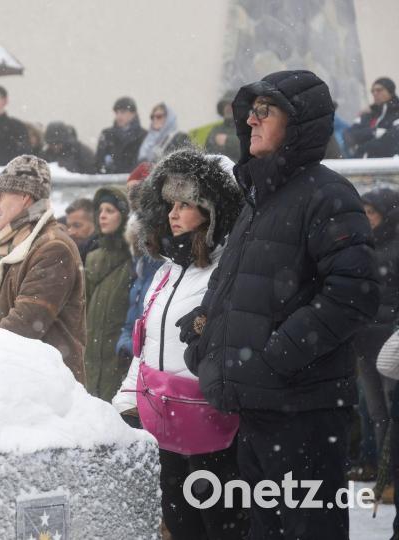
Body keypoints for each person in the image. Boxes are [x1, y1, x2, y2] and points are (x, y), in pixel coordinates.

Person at [181, 71, 379, 539]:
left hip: (305, 414)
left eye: (264, 110)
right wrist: (205, 334)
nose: (250, 119)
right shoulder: (260, 199)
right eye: (250, 109)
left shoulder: (328, 195)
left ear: (300, 123)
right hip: (260, 409)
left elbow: (355, 293)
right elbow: (233, 285)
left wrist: (276, 357)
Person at [111, 148, 246, 539]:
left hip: (214, 427)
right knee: (181, 527)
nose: (173, 213)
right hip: (163, 426)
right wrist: (127, 399)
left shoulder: (226, 272)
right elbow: (146, 344)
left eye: (187, 204)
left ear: (212, 212)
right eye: (170, 203)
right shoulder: (166, 272)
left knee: (221, 527)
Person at [0, 156, 86, 381]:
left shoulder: (53, 247)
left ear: (24, 197)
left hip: (47, 390)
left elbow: (25, 325)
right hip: (14, 379)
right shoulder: (7, 247)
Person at [352, 188, 399, 478]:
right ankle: (383, 475)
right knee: (375, 412)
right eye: (364, 211)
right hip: (364, 337)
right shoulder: (359, 244)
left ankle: (390, 476)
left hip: (390, 340)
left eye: (372, 212)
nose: (367, 217)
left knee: (390, 413)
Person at [83, 187, 133, 399]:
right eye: (100, 210)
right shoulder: (92, 258)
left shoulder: (135, 259)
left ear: (123, 216)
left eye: (110, 210)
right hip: (91, 359)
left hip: (119, 362)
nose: (102, 215)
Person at [115, 162, 164, 369]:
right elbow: (134, 312)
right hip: (137, 356)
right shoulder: (139, 257)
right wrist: (125, 345)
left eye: (138, 190)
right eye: (129, 192)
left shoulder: (163, 252)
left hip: (152, 359)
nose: (132, 199)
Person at [345, 77, 399, 158]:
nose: (375, 93)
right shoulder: (368, 114)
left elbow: (391, 141)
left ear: (390, 91)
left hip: (388, 165)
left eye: (379, 90)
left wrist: (362, 147)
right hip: (361, 165)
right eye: (372, 91)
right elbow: (349, 135)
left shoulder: (397, 113)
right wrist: (374, 132)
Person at [95, 96, 147, 174]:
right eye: (117, 113)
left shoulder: (143, 135)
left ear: (133, 113)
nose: (118, 116)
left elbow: (143, 163)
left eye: (123, 112)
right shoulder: (107, 134)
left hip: (134, 182)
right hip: (111, 182)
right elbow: (99, 162)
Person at [204, 93, 242, 161]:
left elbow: (248, 147)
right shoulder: (216, 129)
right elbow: (207, 150)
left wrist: (228, 140)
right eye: (225, 105)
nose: (228, 108)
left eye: (231, 105)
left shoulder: (246, 127)